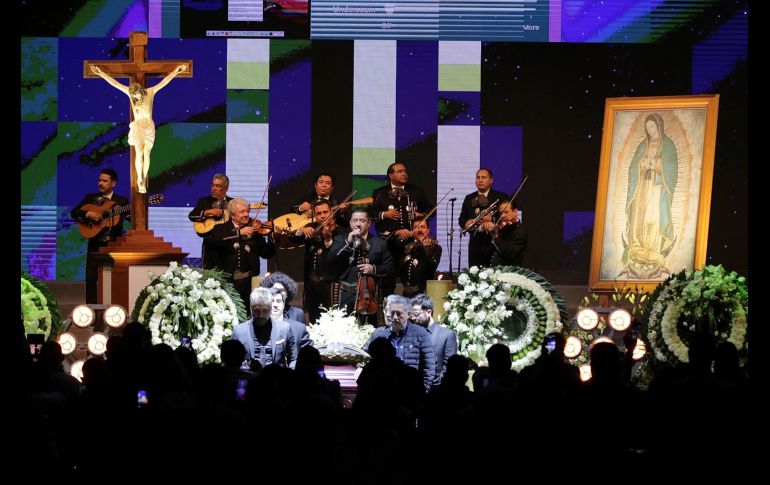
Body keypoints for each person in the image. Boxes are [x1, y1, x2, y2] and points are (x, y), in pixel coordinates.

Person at [90, 64, 187, 193]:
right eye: (134, 97)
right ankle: (139, 179)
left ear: (140, 91)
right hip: (138, 127)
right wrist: (100, 73)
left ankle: (144, 178)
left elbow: (164, 82)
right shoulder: (131, 95)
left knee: (147, 154)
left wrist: (176, 71)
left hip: (148, 128)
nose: (135, 98)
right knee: (139, 153)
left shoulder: (150, 92)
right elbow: (115, 83)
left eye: (136, 96)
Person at [621, 113, 678, 279]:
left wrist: (658, 166)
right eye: (647, 127)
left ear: (659, 126)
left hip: (657, 187)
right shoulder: (642, 146)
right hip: (642, 186)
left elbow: (672, 169)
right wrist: (641, 165)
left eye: (652, 126)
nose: (650, 130)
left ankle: (653, 249)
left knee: (652, 216)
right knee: (639, 214)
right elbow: (633, 167)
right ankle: (637, 245)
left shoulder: (668, 145)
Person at [371, 162, 433, 296]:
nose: (404, 174)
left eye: (405, 171)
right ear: (390, 175)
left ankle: (412, 305)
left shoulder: (416, 191)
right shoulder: (380, 192)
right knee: (387, 281)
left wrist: (421, 214)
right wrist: (384, 214)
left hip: (410, 244)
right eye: (400, 171)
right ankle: (386, 306)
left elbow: (431, 210)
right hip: (387, 243)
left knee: (411, 280)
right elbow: (370, 215)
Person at [71, 168, 130, 303]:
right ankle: (91, 310)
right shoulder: (90, 198)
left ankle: (115, 309)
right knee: (91, 279)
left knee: (115, 278)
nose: (100, 183)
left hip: (114, 246)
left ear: (113, 183)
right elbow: (74, 212)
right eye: (99, 180)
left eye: (105, 181)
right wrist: (87, 214)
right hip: (95, 245)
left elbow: (132, 218)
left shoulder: (121, 201)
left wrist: (137, 209)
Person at [205, 198, 276, 307]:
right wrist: (238, 233)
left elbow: (267, 254)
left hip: (248, 282)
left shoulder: (255, 231)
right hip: (226, 282)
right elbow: (213, 241)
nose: (246, 214)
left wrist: (272, 238)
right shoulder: (221, 228)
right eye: (242, 212)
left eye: (247, 211)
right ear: (232, 215)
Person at [328, 209, 393, 323]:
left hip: (368, 295)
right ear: (350, 223)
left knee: (368, 327)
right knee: (344, 326)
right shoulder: (340, 239)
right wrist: (348, 242)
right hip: (345, 293)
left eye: (362, 221)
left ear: (369, 223)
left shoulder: (379, 243)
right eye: (355, 220)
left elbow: (390, 268)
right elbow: (331, 260)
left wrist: (373, 269)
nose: (358, 224)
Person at [288, 200, 348, 323]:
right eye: (318, 213)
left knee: (333, 321)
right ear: (315, 216)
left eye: (325, 212)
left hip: (332, 285)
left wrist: (328, 239)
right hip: (312, 285)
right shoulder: (313, 229)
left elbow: (339, 256)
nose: (322, 216)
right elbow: (293, 239)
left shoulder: (341, 232)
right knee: (314, 321)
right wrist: (302, 230)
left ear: (332, 212)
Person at [363, 295, 436, 392]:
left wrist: (424, 390)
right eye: (392, 313)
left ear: (408, 314)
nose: (394, 317)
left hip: (411, 390)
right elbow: (365, 355)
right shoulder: (379, 334)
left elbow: (429, 365)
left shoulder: (420, 334)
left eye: (399, 313)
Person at [231, 288, 298, 369]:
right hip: (249, 376)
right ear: (250, 308)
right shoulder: (239, 331)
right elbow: (231, 363)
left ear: (271, 308)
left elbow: (294, 358)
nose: (260, 315)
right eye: (256, 310)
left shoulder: (284, 329)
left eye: (265, 310)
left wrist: (289, 374)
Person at [459, 168, 509, 268]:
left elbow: (507, 218)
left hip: (495, 243)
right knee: (474, 274)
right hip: (475, 245)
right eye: (478, 177)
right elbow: (461, 218)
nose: (480, 180)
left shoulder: (501, 197)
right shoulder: (469, 198)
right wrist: (466, 222)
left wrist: (492, 219)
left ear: (491, 180)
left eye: (483, 177)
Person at [409, 294, 457, 386]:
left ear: (428, 312)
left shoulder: (447, 335)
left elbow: (449, 366)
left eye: (417, 314)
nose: (414, 318)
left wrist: (437, 382)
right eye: (411, 315)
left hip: (437, 388)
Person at [188, 174, 233, 269]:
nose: (214, 188)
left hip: (229, 247)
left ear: (226, 188)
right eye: (213, 185)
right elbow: (191, 216)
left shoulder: (232, 203)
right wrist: (206, 212)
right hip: (210, 247)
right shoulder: (204, 201)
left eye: (218, 186)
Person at [395, 216, 442, 297]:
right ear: (412, 231)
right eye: (416, 227)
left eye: (423, 227)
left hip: (423, 293)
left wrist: (427, 251)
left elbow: (432, 268)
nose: (420, 230)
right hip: (405, 293)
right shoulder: (406, 246)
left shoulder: (435, 248)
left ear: (428, 230)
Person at [489, 201, 527, 267]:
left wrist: (496, 237)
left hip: (509, 270)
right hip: (496, 268)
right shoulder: (503, 228)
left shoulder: (520, 231)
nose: (502, 216)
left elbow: (509, 254)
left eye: (506, 212)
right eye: (501, 213)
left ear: (515, 212)